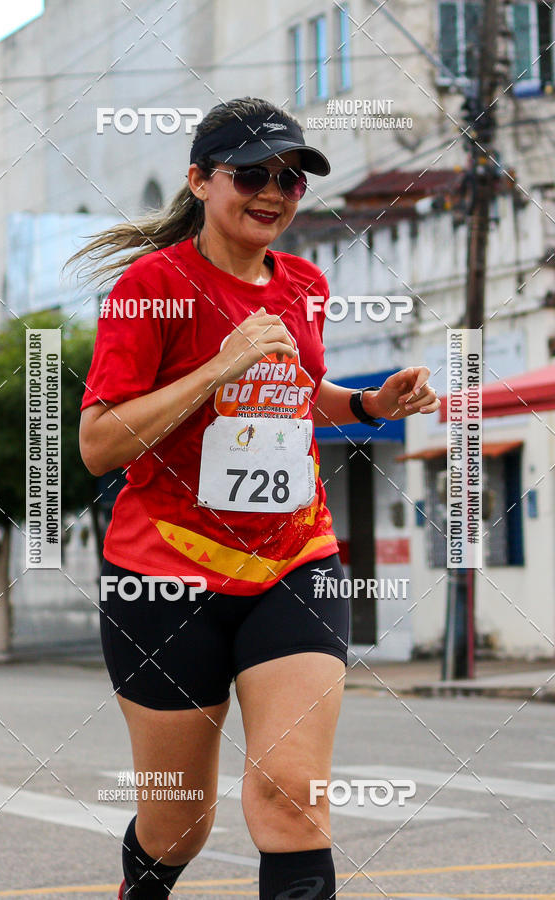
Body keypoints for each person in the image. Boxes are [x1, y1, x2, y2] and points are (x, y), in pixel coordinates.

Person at [73, 96, 439, 900]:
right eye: (252, 175)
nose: (273, 192)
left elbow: (296, 390)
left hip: (294, 561)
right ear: (201, 180)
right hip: (167, 576)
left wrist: (371, 404)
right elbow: (98, 444)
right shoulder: (151, 288)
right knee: (180, 821)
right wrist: (216, 368)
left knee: (291, 797)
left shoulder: (304, 283)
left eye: (290, 179)